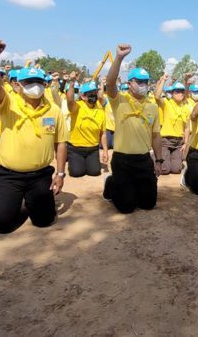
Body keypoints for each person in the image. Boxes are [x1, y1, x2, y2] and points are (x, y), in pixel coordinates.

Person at [0, 40, 68, 234]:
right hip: (8, 175)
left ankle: (32, 204)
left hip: (40, 175)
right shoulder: (7, 103)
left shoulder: (53, 110)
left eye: (39, 82)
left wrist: (61, 174)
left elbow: (61, 142)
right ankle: (17, 203)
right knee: (1, 225)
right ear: (16, 85)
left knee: (44, 221)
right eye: (29, 82)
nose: (36, 86)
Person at [103, 44, 163, 213]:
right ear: (130, 83)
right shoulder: (119, 100)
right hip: (122, 160)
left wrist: (158, 160)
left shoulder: (152, 107)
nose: (143, 85)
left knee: (148, 204)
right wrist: (119, 57)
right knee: (126, 207)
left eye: (146, 82)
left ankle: (132, 186)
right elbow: (109, 82)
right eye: (139, 82)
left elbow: (156, 136)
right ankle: (111, 183)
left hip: (143, 160)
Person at [66, 73, 108, 177]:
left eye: (95, 93)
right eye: (90, 93)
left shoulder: (100, 111)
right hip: (76, 148)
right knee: (76, 173)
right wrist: (72, 82)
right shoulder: (77, 107)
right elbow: (70, 100)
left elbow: (103, 133)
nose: (93, 96)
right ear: (83, 96)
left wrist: (105, 151)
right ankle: (72, 160)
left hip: (92, 148)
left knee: (94, 172)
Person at [154, 76, 190, 175]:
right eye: (177, 91)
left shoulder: (186, 108)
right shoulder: (167, 103)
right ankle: (155, 156)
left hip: (178, 143)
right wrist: (163, 81)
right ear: (172, 93)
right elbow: (157, 97)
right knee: (164, 171)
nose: (180, 93)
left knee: (176, 170)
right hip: (166, 141)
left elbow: (187, 127)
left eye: (182, 91)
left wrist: (185, 143)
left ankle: (166, 157)